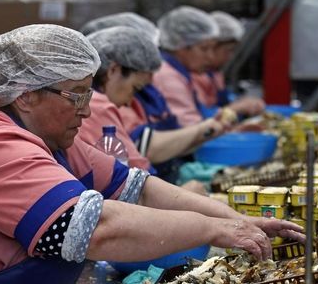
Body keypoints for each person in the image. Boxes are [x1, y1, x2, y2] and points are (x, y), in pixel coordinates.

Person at [0, 24, 305, 284]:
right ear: (27, 95)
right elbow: (95, 229)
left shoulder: (52, 140)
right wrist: (216, 229)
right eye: (77, 94)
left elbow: (138, 187)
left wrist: (239, 220)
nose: (88, 109)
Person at [80, 26, 225, 188]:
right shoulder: (98, 105)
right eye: (135, 88)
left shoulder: (97, 102)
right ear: (114, 70)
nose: (129, 102)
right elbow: (139, 177)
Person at [192, 11, 265, 118]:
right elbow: (198, 118)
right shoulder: (195, 76)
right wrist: (235, 108)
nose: (230, 57)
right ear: (211, 47)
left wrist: (240, 102)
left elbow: (223, 102)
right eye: (228, 51)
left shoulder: (215, 74)